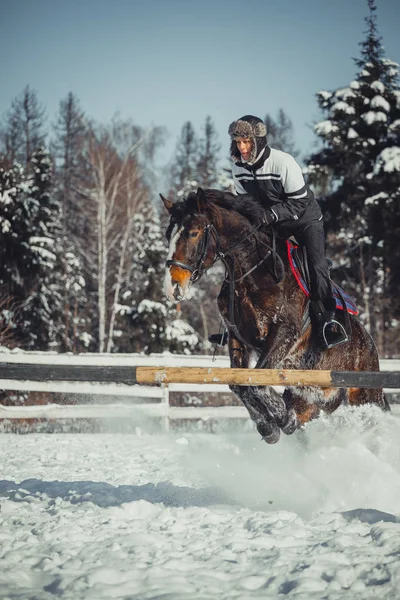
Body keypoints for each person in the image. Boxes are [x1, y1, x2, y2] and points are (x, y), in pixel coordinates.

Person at [225, 114, 347, 350]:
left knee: (316, 264)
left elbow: (300, 201)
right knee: (244, 259)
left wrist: (271, 215)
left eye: (247, 141)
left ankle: (326, 322)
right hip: (274, 225)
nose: (242, 147)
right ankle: (235, 325)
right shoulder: (237, 167)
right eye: (238, 142)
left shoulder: (283, 162)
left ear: (258, 141)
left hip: (305, 220)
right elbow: (244, 203)